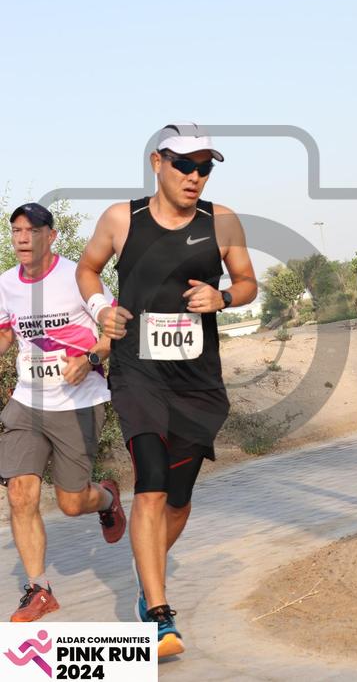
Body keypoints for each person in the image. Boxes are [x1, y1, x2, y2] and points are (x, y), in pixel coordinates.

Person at [76, 123, 257, 658]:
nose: (195, 176)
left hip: (198, 382)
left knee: (178, 500)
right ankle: (158, 612)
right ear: (158, 163)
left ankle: (146, 571)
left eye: (204, 168)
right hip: (138, 374)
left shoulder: (221, 221)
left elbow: (247, 282)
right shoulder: (121, 219)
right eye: (184, 165)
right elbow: (87, 269)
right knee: (150, 485)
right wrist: (101, 309)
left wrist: (224, 298)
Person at [0, 203, 126, 623]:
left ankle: (106, 497)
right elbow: (6, 332)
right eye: (16, 230)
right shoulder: (6, 284)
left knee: (72, 503)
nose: (22, 238)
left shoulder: (78, 277)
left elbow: (115, 329)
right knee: (20, 492)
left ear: (51, 236)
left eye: (32, 230)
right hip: (27, 402)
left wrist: (90, 358)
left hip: (78, 402)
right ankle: (39, 589)